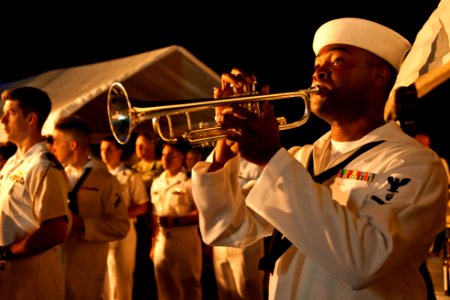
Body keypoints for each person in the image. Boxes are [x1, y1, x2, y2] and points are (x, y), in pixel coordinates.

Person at [191, 17, 449, 299]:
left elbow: (365, 260)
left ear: (378, 76)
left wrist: (271, 157)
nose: (319, 73)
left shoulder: (414, 163)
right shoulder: (302, 158)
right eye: (317, 66)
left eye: (337, 61)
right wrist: (225, 146)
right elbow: (227, 228)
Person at [0, 87, 70, 299]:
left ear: (31, 119)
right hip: (11, 277)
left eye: (10, 113)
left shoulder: (44, 166)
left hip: (31, 279)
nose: (2, 120)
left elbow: (57, 230)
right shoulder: (13, 162)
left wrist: (7, 252)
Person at [51, 116, 130, 300]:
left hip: (87, 270)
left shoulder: (105, 179)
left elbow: (121, 227)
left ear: (73, 145)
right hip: (58, 266)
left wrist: (82, 224)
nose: (52, 147)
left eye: (56, 141)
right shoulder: (59, 176)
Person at [100, 135, 151, 300]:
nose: (104, 154)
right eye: (101, 150)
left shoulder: (130, 175)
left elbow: (142, 206)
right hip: (102, 231)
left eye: (108, 149)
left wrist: (118, 216)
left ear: (118, 152)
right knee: (106, 279)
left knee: (122, 278)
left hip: (124, 231)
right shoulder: (98, 175)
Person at [150, 142, 202, 300]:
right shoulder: (157, 182)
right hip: (162, 241)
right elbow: (154, 214)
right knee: (164, 289)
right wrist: (153, 244)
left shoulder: (190, 181)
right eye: (164, 154)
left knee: (188, 289)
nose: (165, 158)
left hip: (184, 241)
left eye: (170, 155)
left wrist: (177, 221)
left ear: (181, 158)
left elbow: (203, 213)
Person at [212, 157, 265, 300]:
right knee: (225, 290)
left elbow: (262, 203)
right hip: (221, 235)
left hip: (245, 236)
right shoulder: (217, 162)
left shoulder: (255, 166)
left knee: (248, 287)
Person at [131, 132, 163, 300]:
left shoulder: (161, 167)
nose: (139, 149)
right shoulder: (132, 169)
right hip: (138, 223)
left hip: (155, 220)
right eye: (137, 146)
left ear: (153, 146)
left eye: (143, 145)